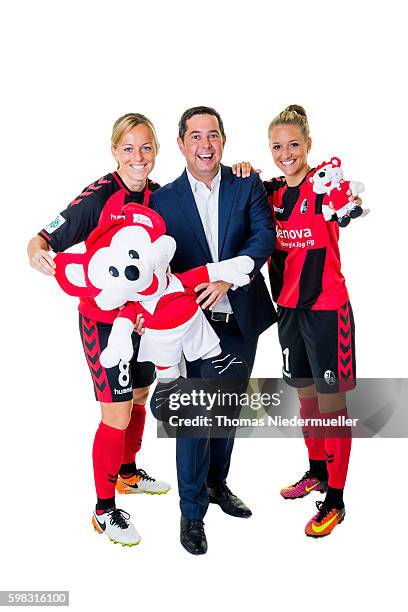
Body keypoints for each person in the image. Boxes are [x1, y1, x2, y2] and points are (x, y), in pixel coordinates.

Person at [27, 113, 171, 547]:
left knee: (141, 396)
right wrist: (36, 248)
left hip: (145, 320)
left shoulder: (160, 197)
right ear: (114, 152)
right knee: (115, 412)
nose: (137, 157)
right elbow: (46, 235)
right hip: (103, 324)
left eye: (145, 147)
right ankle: (104, 510)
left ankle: (127, 473)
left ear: (156, 150)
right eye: (128, 148)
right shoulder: (99, 195)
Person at [149, 106, 278, 554]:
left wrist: (227, 276)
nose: (206, 145)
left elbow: (264, 238)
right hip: (191, 327)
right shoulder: (162, 200)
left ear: (224, 140)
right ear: (182, 143)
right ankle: (191, 513)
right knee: (194, 420)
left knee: (225, 415)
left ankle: (218, 486)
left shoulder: (247, 184)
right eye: (196, 137)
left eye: (214, 136)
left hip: (241, 322)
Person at [235, 104, 359, 538]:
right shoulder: (269, 192)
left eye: (293, 145)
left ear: (308, 144)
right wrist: (242, 169)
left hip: (326, 310)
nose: (285, 153)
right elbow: (241, 188)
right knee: (305, 398)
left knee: (332, 407)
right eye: (276, 147)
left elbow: (346, 202)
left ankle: (337, 499)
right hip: (287, 309)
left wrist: (348, 201)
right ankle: (317, 473)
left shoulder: (323, 185)